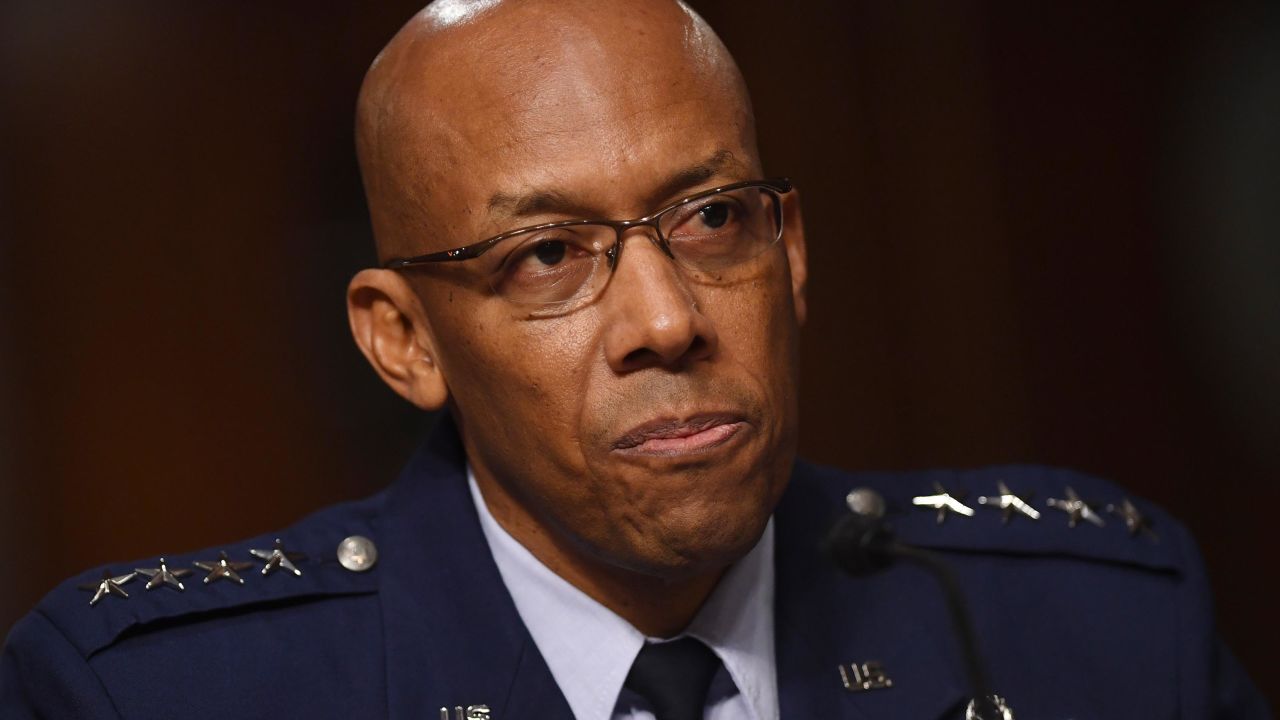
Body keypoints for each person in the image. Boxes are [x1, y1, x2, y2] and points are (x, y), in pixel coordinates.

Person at [0, 1, 1269, 718]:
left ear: (793, 252)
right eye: (546, 255)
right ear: (402, 340)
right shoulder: (163, 699)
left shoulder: (1097, 626)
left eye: (713, 218)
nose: (666, 318)